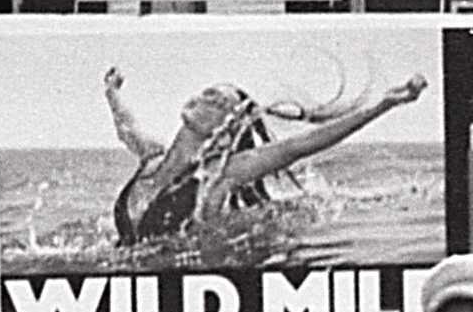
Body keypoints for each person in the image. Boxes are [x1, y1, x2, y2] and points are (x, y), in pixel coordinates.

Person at [103, 65, 427, 244]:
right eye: (207, 94)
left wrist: (384, 105)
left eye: (218, 103)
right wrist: (112, 92)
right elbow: (125, 126)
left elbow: (300, 146)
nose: (205, 99)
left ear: (225, 127)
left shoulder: (219, 175)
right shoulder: (152, 157)